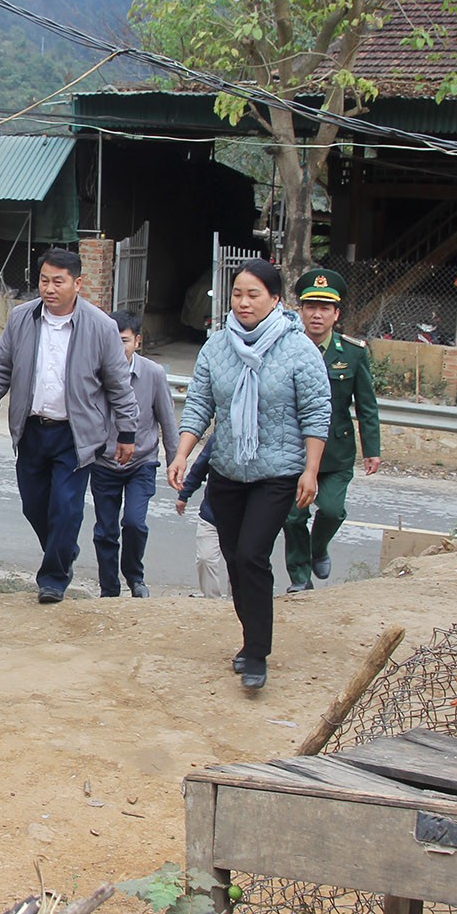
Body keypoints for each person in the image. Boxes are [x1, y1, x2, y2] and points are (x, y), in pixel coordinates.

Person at [166, 260, 328, 690]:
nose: (243, 302)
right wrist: (182, 455)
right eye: (237, 293)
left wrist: (310, 471)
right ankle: (249, 638)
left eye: (253, 294)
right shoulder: (217, 346)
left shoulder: (299, 349)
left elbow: (316, 413)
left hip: (278, 472)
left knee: (253, 554)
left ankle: (257, 653)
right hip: (228, 471)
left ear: (275, 299)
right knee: (234, 557)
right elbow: (200, 404)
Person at [0, 248, 139, 603]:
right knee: (34, 506)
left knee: (66, 507)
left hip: (75, 435)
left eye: (58, 281)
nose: (49, 288)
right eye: (44, 280)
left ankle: (53, 578)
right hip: (31, 429)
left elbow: (118, 384)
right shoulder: (22, 318)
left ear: (77, 283)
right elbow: (1, 366)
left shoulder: (101, 327)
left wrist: (127, 432)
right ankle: (62, 549)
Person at [282, 269, 381, 592]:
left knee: (332, 510)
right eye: (311, 306)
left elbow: (366, 405)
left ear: (336, 314)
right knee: (294, 518)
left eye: (325, 308)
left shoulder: (352, 353)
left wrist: (372, 449)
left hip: (336, 452)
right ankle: (299, 578)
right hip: (295, 450)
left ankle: (317, 548)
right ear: (301, 310)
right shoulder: (287, 348)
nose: (317, 314)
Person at [88, 311, 179, 598]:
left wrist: (176, 461)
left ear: (137, 341)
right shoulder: (94, 372)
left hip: (142, 461)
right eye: (113, 342)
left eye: (124, 341)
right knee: (105, 530)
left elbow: (167, 420)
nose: (119, 348)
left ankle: (135, 577)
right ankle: (109, 588)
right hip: (104, 462)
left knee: (134, 522)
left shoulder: (153, 374)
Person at [174, 431, 229, 600]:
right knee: (206, 559)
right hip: (211, 513)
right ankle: (212, 599)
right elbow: (199, 468)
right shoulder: (217, 439)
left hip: (245, 516)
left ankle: (240, 599)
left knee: (243, 560)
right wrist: (184, 495)